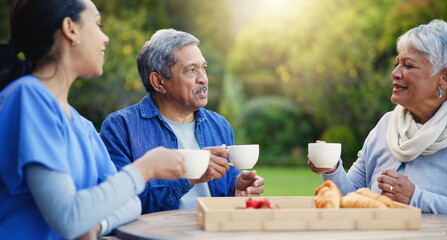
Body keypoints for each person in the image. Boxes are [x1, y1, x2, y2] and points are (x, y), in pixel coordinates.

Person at [0, 0, 187, 239]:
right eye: (97, 24)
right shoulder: (27, 97)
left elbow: (131, 203)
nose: (106, 37)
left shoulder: (82, 126)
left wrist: (97, 225)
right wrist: (144, 169)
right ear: (70, 29)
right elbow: (69, 218)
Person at [100, 29, 265, 213]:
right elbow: (119, 203)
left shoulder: (219, 125)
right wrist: (188, 176)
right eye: (191, 70)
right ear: (159, 82)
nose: (203, 79)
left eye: (203, 68)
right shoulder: (120, 128)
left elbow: (225, 193)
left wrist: (237, 190)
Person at [308, 19, 447, 216]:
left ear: (445, 77)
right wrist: (332, 168)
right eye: (397, 64)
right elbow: (351, 198)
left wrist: (416, 198)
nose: (395, 73)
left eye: (408, 66)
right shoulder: (386, 125)